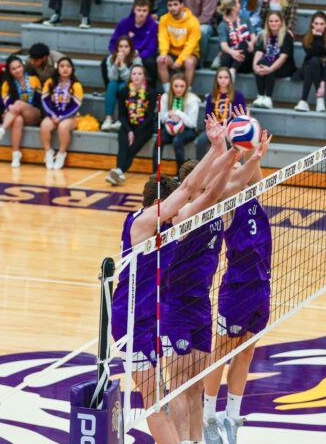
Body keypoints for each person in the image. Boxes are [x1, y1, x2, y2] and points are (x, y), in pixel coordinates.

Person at [108, 118, 234, 444]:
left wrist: (228, 154)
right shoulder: (141, 223)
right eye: (171, 203)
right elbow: (189, 189)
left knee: (166, 392)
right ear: (155, 205)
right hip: (131, 318)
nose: (178, 208)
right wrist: (217, 148)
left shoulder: (173, 225)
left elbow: (202, 196)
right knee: (155, 399)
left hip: (152, 316)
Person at [202, 135, 272, 444]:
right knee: (221, 353)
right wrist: (237, 154)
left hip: (261, 286)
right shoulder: (227, 203)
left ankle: (231, 417)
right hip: (237, 288)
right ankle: (206, 416)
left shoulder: (253, 196)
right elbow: (241, 175)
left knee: (246, 351)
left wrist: (251, 146)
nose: (239, 174)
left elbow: (254, 174)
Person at [0, 55, 42, 167]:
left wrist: (19, 107)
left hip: (33, 113)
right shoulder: (7, 84)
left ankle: (2, 129)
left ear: (23, 66)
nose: (17, 70)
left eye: (19, 67)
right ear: (10, 71)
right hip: (15, 114)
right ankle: (16, 154)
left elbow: (40, 101)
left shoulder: (34, 80)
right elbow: (7, 103)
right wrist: (13, 108)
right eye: (13, 69)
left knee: (18, 104)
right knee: (17, 120)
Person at [106, 65, 155, 185]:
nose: (137, 76)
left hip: (144, 127)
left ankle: (118, 171)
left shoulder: (151, 92)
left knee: (131, 148)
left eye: (140, 73)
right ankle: (119, 173)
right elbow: (122, 115)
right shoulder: (124, 92)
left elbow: (150, 116)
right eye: (134, 74)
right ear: (130, 77)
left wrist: (136, 132)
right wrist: (129, 131)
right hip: (127, 126)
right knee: (123, 147)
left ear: (144, 77)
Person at [294, 11, 326, 112]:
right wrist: (318, 38)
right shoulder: (307, 37)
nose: (318, 27)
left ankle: (305, 100)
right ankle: (318, 100)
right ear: (312, 24)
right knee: (313, 62)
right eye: (316, 23)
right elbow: (313, 54)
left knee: (311, 64)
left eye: (321, 24)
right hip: (313, 67)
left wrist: (323, 84)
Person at [153, 72, 200, 175]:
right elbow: (161, 117)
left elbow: (192, 123)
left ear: (186, 86)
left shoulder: (192, 99)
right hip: (170, 127)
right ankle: (156, 172)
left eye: (182, 86)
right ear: (171, 86)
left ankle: (179, 174)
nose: (179, 89)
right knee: (159, 140)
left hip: (188, 130)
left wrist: (178, 113)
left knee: (177, 141)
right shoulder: (165, 97)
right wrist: (169, 115)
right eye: (176, 86)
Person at [39, 57, 81, 170]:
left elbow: (76, 106)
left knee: (63, 127)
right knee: (44, 126)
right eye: (62, 66)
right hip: (54, 115)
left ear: (72, 69)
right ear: (57, 68)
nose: (65, 69)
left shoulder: (76, 85)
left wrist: (62, 117)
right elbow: (44, 100)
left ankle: (62, 154)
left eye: (68, 66)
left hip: (71, 116)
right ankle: (48, 152)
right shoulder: (50, 82)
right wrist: (52, 114)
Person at [195, 67, 246, 158]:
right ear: (216, 79)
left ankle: (235, 168)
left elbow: (243, 117)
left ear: (230, 79)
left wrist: (228, 129)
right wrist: (214, 127)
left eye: (226, 77)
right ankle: (200, 168)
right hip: (215, 129)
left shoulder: (238, 96)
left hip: (231, 130)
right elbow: (207, 117)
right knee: (201, 141)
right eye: (220, 77)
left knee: (235, 143)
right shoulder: (211, 96)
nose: (223, 80)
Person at [106, 0, 159, 86]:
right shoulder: (124, 23)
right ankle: (109, 88)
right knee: (106, 62)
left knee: (150, 63)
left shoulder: (153, 25)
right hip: (123, 51)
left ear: (148, 11)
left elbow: (151, 48)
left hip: (141, 55)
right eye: (139, 10)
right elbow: (113, 42)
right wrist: (116, 54)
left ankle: (150, 90)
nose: (141, 13)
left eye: (144, 11)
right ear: (134, 10)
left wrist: (137, 55)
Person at [158, 0, 201, 87]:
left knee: (189, 62)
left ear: (182, 5)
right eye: (169, 5)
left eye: (175, 4)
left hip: (189, 54)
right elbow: (163, 38)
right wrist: (164, 53)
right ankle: (168, 91)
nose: (172, 8)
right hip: (171, 53)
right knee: (160, 60)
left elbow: (191, 45)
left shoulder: (193, 22)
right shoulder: (163, 19)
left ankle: (187, 93)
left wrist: (179, 61)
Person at [252, 10, 294, 108]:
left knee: (267, 64)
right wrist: (254, 66)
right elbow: (259, 52)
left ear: (281, 22)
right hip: (267, 63)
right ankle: (260, 96)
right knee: (260, 63)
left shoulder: (287, 36)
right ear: (267, 22)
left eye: (276, 21)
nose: (273, 23)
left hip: (284, 67)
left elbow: (283, 58)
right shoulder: (263, 35)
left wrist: (270, 69)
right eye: (271, 21)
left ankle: (268, 98)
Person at [101, 35, 142, 132]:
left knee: (123, 87)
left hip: (132, 86)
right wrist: (116, 64)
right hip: (116, 83)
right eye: (121, 46)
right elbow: (112, 78)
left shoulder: (136, 59)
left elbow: (131, 79)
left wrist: (123, 64)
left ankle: (121, 119)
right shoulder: (110, 59)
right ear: (117, 48)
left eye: (126, 46)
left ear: (130, 48)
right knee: (112, 85)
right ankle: (108, 119)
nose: (123, 49)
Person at [218, 0, 256, 79]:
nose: (240, 4)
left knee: (243, 43)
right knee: (225, 55)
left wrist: (251, 43)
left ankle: (232, 71)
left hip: (246, 59)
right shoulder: (223, 25)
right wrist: (233, 52)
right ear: (233, 8)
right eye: (238, 3)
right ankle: (230, 72)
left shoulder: (245, 19)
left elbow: (253, 36)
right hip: (233, 57)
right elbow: (224, 46)